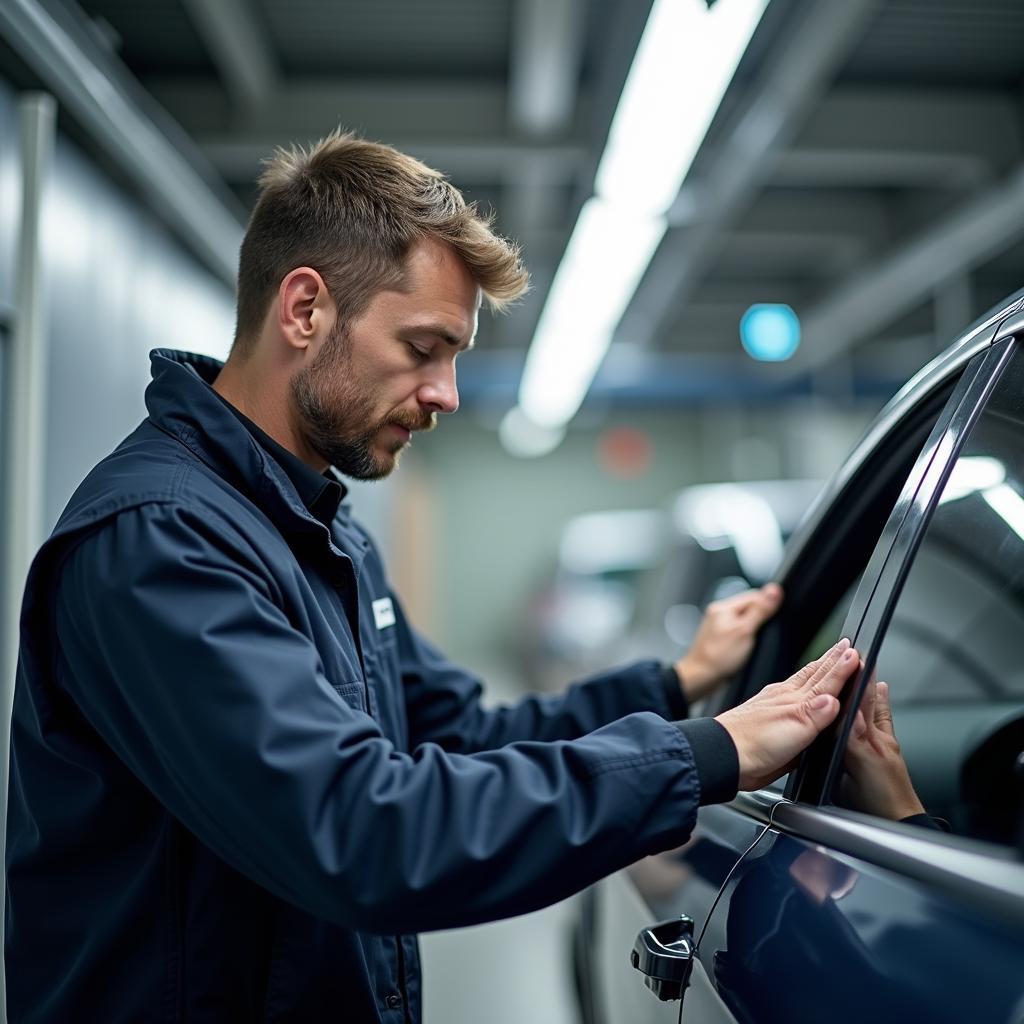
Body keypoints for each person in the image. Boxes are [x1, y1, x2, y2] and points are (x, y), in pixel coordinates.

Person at [5, 132, 862, 1024]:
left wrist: (675, 682)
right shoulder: (162, 543)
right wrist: (704, 757)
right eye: (424, 347)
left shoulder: (315, 531)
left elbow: (462, 736)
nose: (447, 394)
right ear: (305, 309)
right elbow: (361, 834)